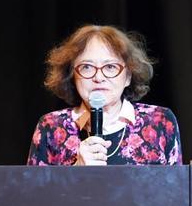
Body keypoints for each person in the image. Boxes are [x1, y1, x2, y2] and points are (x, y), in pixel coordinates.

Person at [27, 24, 182, 166]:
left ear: (128, 76)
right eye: (87, 67)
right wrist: (75, 170)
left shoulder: (160, 122)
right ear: (72, 76)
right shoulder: (51, 126)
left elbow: (178, 192)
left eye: (110, 67)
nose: (99, 77)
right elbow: (32, 195)